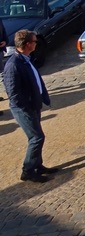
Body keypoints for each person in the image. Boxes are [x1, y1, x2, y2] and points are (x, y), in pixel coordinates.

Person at [2, 30, 58, 182]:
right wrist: (26, 106)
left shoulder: (26, 58)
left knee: (36, 136)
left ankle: (37, 165)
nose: (36, 44)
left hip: (33, 104)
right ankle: (27, 171)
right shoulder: (13, 64)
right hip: (24, 108)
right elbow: (13, 92)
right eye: (34, 42)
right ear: (27, 44)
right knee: (36, 137)